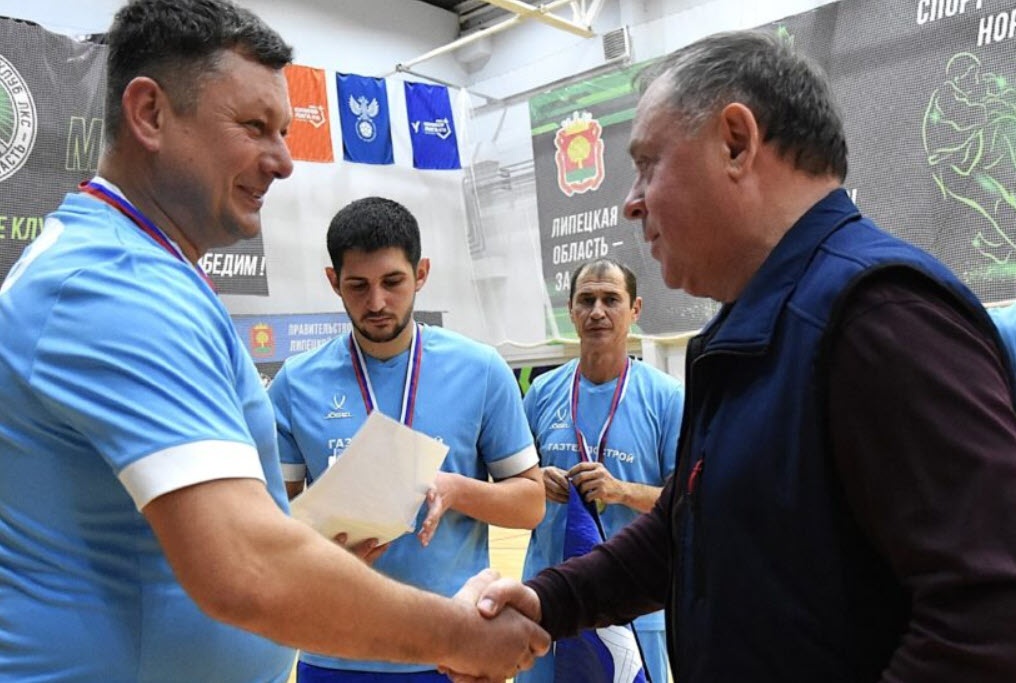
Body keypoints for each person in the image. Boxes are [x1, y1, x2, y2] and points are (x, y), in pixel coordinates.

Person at [0, 2, 549, 681]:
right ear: (149, 114)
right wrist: (459, 636)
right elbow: (247, 567)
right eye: (255, 127)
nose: (285, 162)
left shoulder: (133, 269)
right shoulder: (113, 285)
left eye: (285, 131)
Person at [464, 29, 1016, 683]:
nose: (632, 202)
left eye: (648, 164)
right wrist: (547, 601)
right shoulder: (752, 329)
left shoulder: (878, 317)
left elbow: (988, 617)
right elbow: (681, 534)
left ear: (735, 142)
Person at [267, 195, 545, 682]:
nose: (376, 303)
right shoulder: (296, 382)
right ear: (333, 281)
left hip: (450, 650)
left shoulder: (480, 370)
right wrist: (320, 544)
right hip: (333, 650)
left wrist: (454, 489)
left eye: (392, 282)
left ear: (421, 273)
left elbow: (530, 504)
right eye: (358, 285)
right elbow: (269, 517)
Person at [515, 257, 683, 683]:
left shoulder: (667, 398)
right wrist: (535, 482)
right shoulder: (542, 392)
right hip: (548, 600)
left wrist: (621, 491)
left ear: (635, 309)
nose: (597, 312)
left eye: (611, 300)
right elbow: (510, 483)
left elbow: (688, 503)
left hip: (634, 607)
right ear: (571, 311)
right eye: (586, 300)